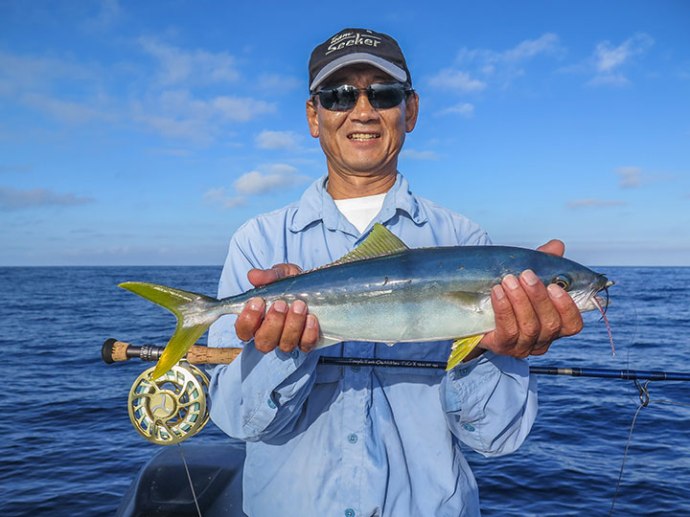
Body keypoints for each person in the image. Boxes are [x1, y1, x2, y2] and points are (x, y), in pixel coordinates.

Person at [208, 28, 583, 517]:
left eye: (382, 94)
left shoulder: (466, 240)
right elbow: (238, 419)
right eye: (338, 95)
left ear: (411, 110)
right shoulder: (258, 242)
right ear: (312, 116)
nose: (362, 111)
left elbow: (497, 438)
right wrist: (281, 351)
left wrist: (485, 350)